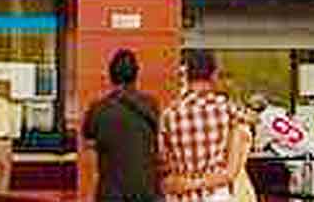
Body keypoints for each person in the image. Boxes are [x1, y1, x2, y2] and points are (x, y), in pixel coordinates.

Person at [160, 50, 252, 202]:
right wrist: (199, 183)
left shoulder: (169, 114)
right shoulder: (229, 111)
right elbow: (231, 172)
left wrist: (186, 183)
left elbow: (164, 165)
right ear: (213, 75)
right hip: (216, 197)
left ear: (187, 76)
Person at [82, 50, 161, 202]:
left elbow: (88, 142)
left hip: (111, 192)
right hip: (146, 191)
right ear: (136, 74)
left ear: (111, 75)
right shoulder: (151, 105)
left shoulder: (98, 109)